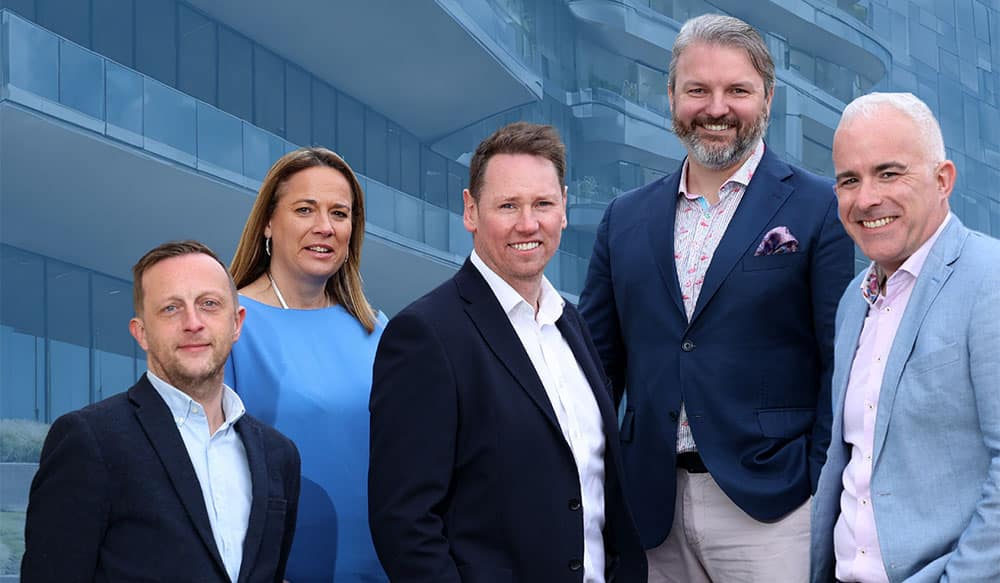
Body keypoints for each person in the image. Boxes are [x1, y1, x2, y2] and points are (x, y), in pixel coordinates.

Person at [578, 13, 855, 583]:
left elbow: (840, 360)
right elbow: (596, 370)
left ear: (768, 98)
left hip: (773, 507)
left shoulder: (819, 208)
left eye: (738, 90)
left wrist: (815, 479)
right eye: (698, 90)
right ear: (672, 96)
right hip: (650, 508)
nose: (716, 108)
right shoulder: (623, 218)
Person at [368, 122, 646, 583]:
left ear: (563, 208)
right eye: (508, 205)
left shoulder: (573, 325)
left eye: (543, 204)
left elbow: (598, 491)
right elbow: (405, 523)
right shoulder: (425, 335)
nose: (527, 223)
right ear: (471, 211)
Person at [21, 240, 300, 582]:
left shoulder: (278, 455)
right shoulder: (90, 440)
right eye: (170, 308)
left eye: (209, 304)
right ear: (142, 334)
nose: (193, 322)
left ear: (236, 323)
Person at [810, 92, 1000, 582]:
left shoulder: (990, 279)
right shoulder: (855, 299)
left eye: (889, 173)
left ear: (943, 180)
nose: (867, 198)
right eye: (849, 180)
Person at [227, 147, 386, 582]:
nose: (324, 227)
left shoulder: (377, 331)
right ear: (267, 222)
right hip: (280, 569)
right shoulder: (230, 325)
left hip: (385, 565)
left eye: (340, 213)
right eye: (304, 209)